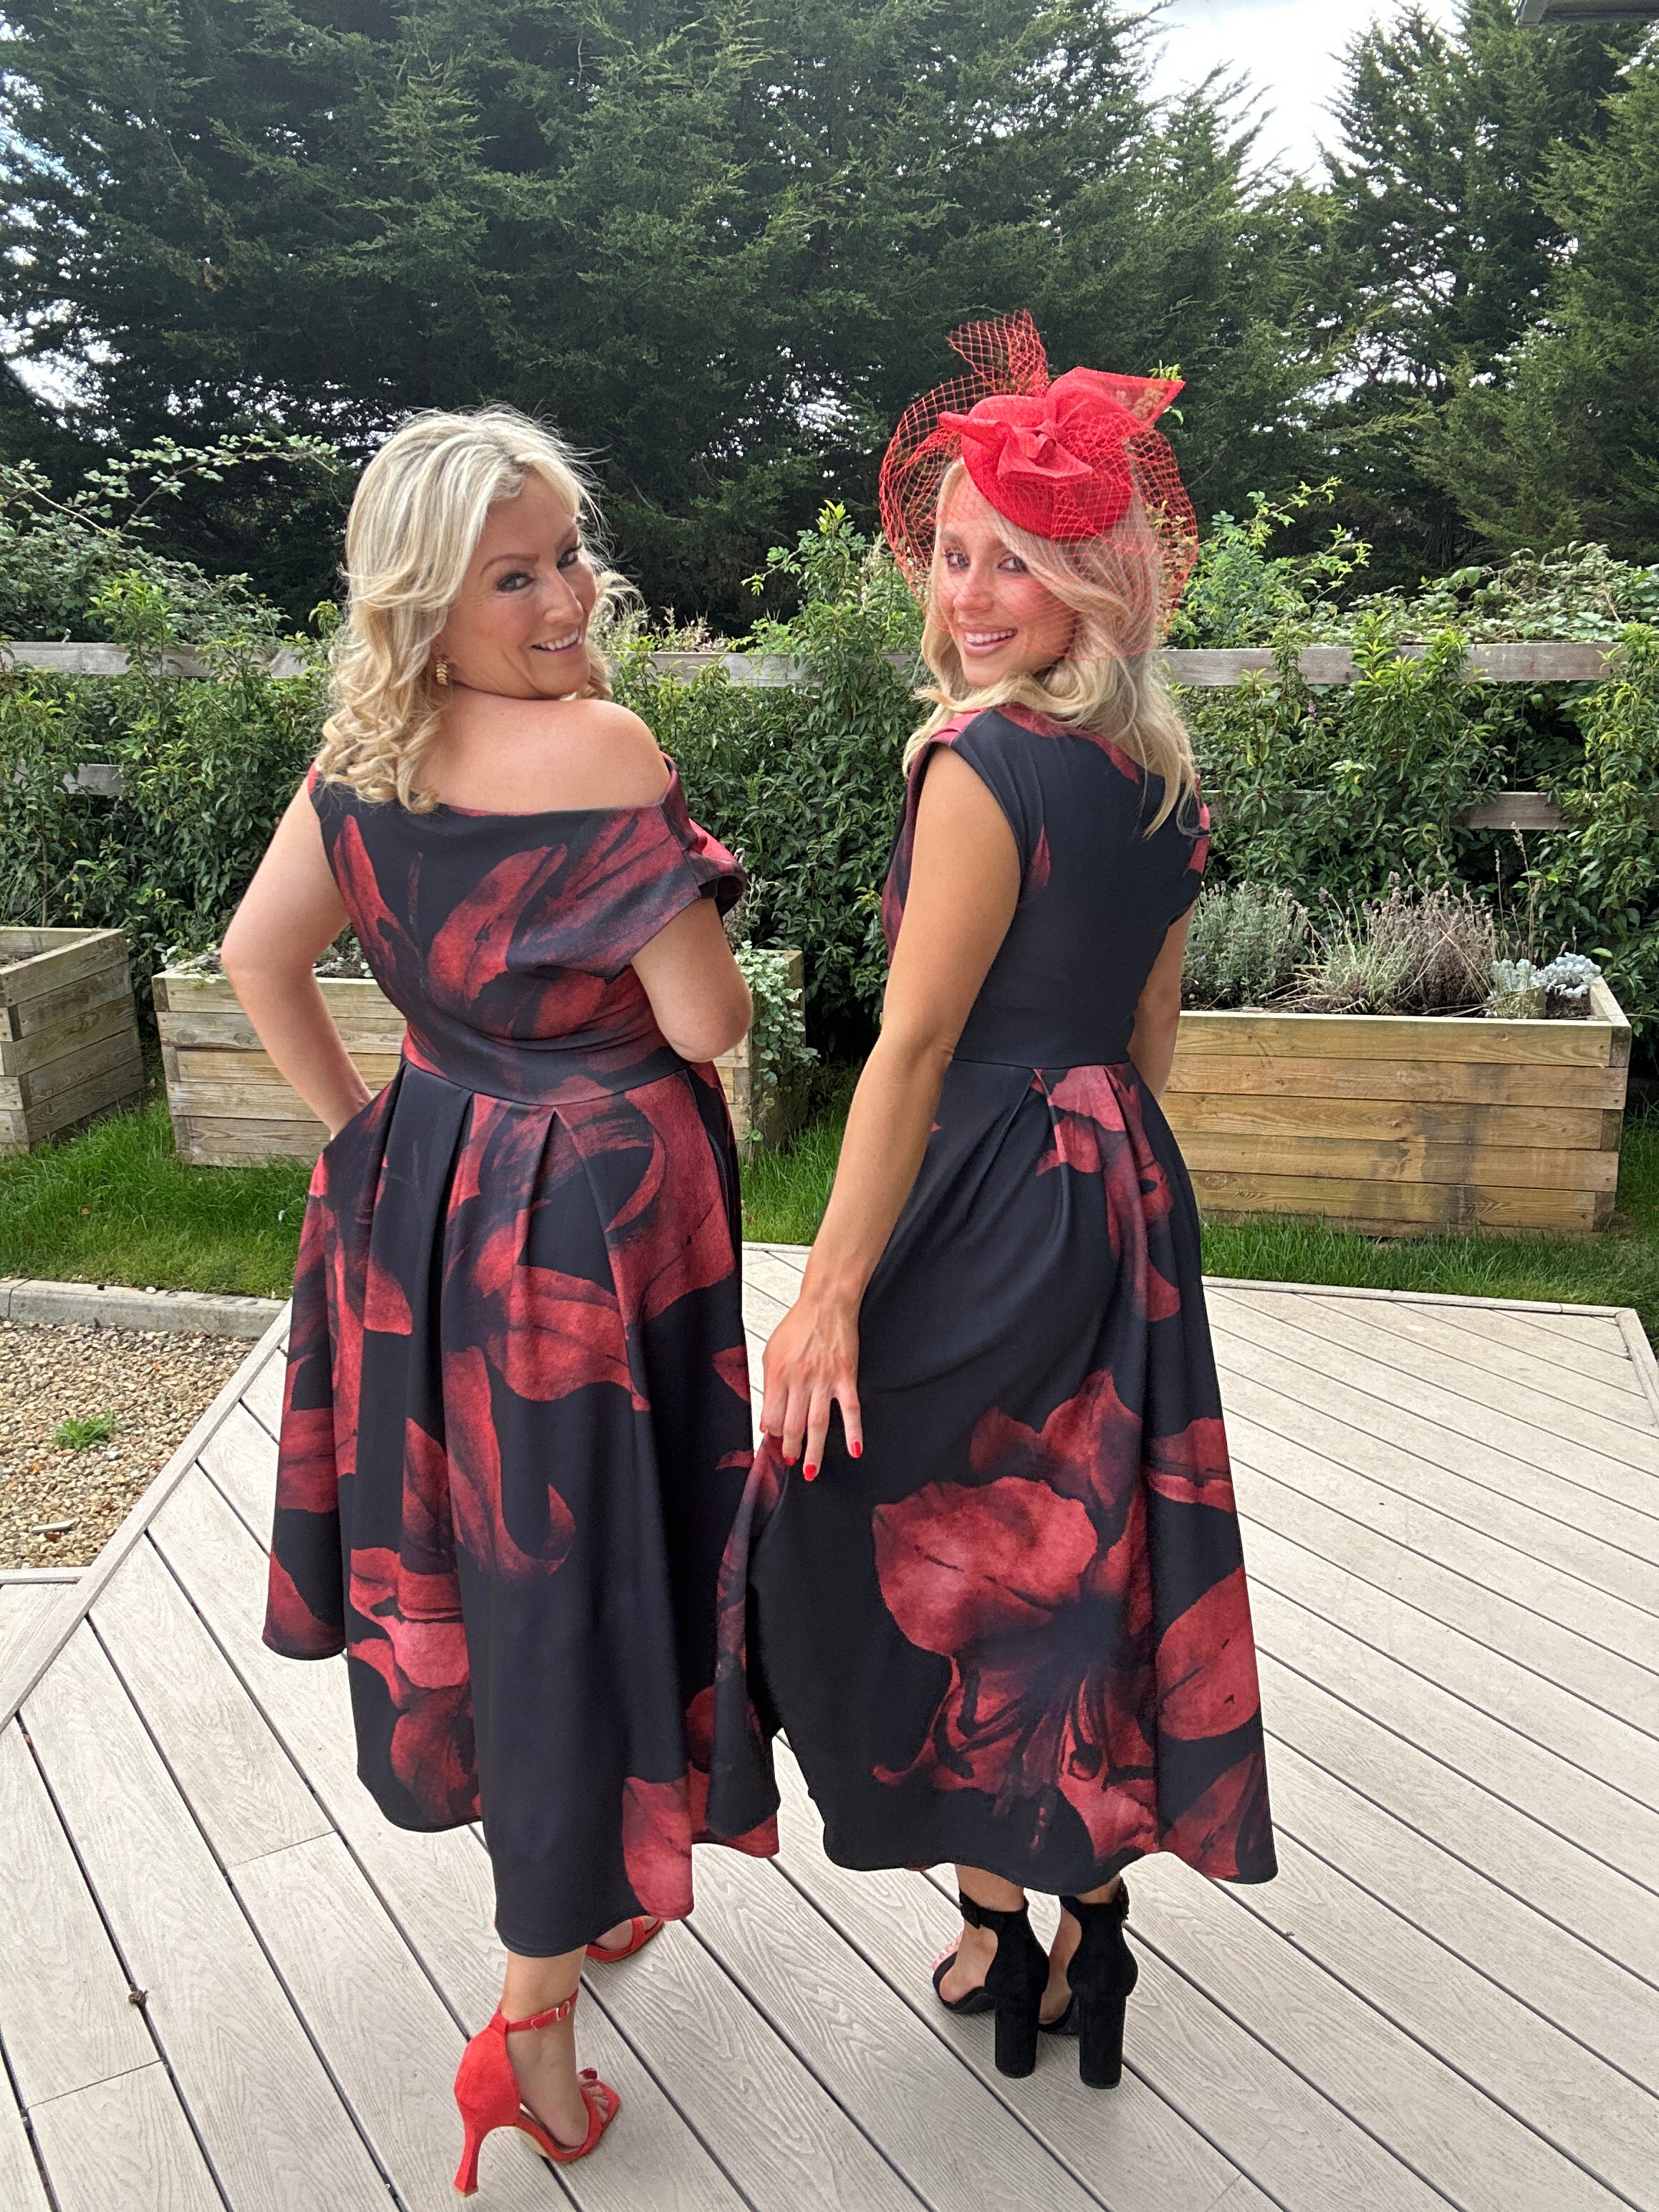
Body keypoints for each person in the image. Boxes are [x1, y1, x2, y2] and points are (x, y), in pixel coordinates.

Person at [221, 408, 780, 2191]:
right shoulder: (602, 748)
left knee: (506, 1565)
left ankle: (583, 1882)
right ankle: (529, 2014)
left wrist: (366, 1140)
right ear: (426, 604)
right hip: (600, 1232)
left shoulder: (361, 763)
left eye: (567, 556)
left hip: (440, 1204)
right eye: (514, 576)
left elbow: (258, 957)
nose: (565, 597)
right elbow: (708, 1018)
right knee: (581, 1576)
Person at [743, 313, 1277, 2088]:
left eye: (1016, 560)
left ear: (1092, 581)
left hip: (984, 1185)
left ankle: (1002, 1908)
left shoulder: (976, 762)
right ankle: (1077, 1926)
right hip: (1116, 1185)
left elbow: (910, 1051)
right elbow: (1151, 1036)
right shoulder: (1162, 776)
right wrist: (1104, 1183)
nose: (971, 594)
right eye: (955, 552)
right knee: (1079, 1553)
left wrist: (829, 1289)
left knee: (899, 1532)